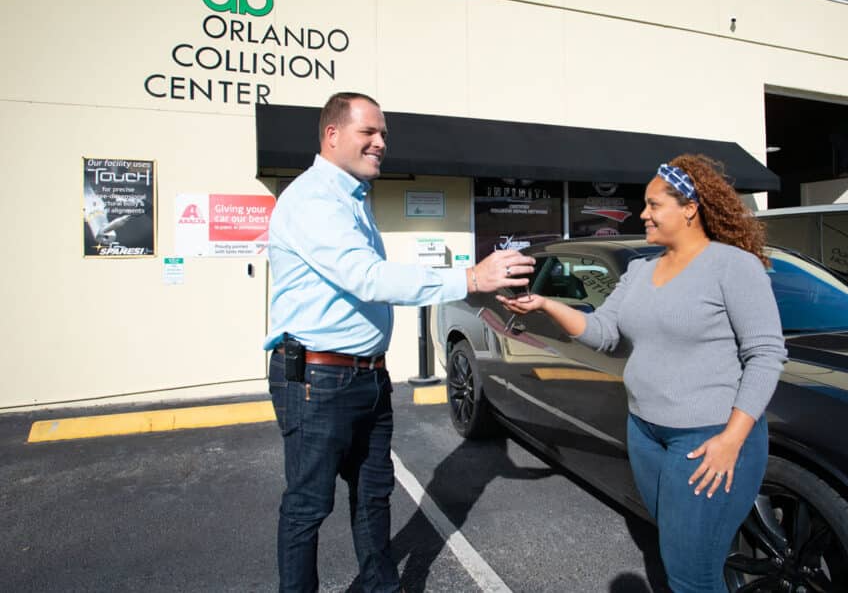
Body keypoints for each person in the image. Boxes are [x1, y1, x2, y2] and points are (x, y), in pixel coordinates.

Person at [263, 91, 534, 593]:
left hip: (365, 376)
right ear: (333, 134)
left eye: (383, 133)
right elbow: (367, 278)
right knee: (308, 506)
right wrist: (471, 278)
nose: (381, 143)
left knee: (373, 494)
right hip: (318, 380)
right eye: (369, 132)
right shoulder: (312, 200)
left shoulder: (352, 200)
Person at [499, 154, 786, 592]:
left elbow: (766, 355)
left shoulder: (733, 266)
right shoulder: (640, 269)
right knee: (676, 552)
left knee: (693, 574)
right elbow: (603, 333)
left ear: (689, 208)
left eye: (653, 205)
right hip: (646, 433)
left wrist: (732, 439)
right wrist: (546, 305)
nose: (642, 213)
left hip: (706, 438)